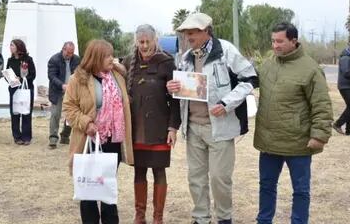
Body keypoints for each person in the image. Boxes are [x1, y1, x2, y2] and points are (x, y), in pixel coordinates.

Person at [166, 12, 258, 224]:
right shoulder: (186, 57)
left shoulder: (225, 51)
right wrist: (173, 87)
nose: (188, 37)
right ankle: (201, 218)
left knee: (219, 178)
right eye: (186, 33)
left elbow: (250, 79)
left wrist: (227, 103)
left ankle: (224, 218)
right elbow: (185, 89)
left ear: (206, 31)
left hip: (220, 128)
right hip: (193, 127)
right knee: (196, 179)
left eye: (193, 32)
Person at [254, 23, 333, 224]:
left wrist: (319, 136)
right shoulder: (267, 64)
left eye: (280, 41)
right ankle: (264, 221)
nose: (275, 45)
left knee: (301, 191)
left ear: (293, 41)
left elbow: (321, 105)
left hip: (298, 143)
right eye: (273, 41)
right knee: (266, 186)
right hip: (269, 141)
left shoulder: (310, 69)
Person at [62, 39, 133, 224]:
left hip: (112, 140)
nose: (112, 59)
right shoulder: (78, 79)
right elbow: (69, 107)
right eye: (107, 56)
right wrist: (86, 123)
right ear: (95, 58)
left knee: (108, 186)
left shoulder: (117, 75)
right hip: (89, 140)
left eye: (112, 54)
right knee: (89, 188)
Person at [122, 25, 181, 224]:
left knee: (158, 171)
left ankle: (158, 217)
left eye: (148, 41)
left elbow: (176, 99)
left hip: (159, 128)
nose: (144, 46)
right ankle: (140, 216)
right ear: (136, 41)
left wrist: (173, 128)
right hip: (136, 128)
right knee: (139, 170)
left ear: (156, 40)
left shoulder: (167, 62)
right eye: (141, 42)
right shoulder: (129, 62)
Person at [48, 41, 81, 149]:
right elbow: (52, 76)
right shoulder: (54, 60)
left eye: (72, 53)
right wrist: (62, 85)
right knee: (55, 115)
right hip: (57, 92)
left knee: (71, 116)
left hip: (72, 92)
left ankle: (65, 136)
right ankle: (53, 138)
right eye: (68, 52)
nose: (70, 55)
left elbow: (80, 73)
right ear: (63, 49)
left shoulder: (77, 60)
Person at [6, 39, 36, 145]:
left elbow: (32, 74)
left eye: (12, 45)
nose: (10, 47)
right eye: (10, 45)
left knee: (26, 112)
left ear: (19, 47)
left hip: (26, 89)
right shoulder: (10, 60)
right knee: (15, 113)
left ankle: (26, 137)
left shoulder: (28, 59)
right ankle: (17, 136)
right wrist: (11, 79)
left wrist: (23, 79)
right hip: (14, 89)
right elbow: (7, 74)